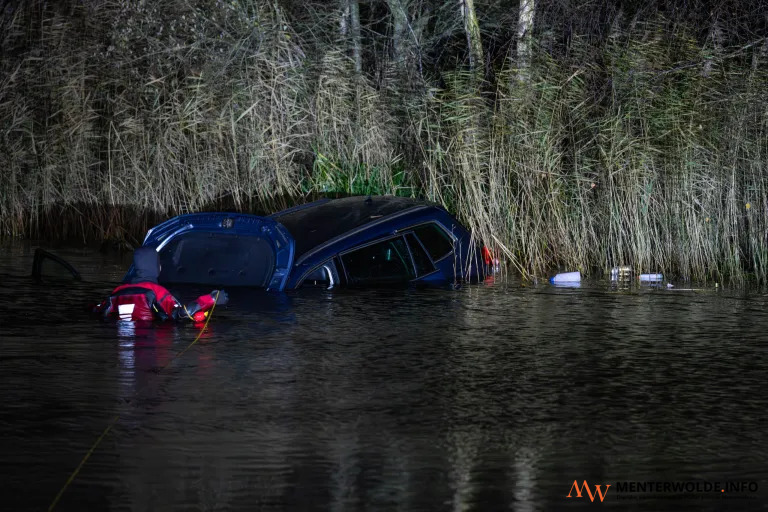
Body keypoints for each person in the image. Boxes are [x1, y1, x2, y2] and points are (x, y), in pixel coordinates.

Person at [94, 247, 228, 322]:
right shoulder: (157, 291)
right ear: (156, 267)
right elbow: (181, 314)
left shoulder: (117, 291)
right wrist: (211, 299)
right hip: (149, 341)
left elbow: (97, 310)